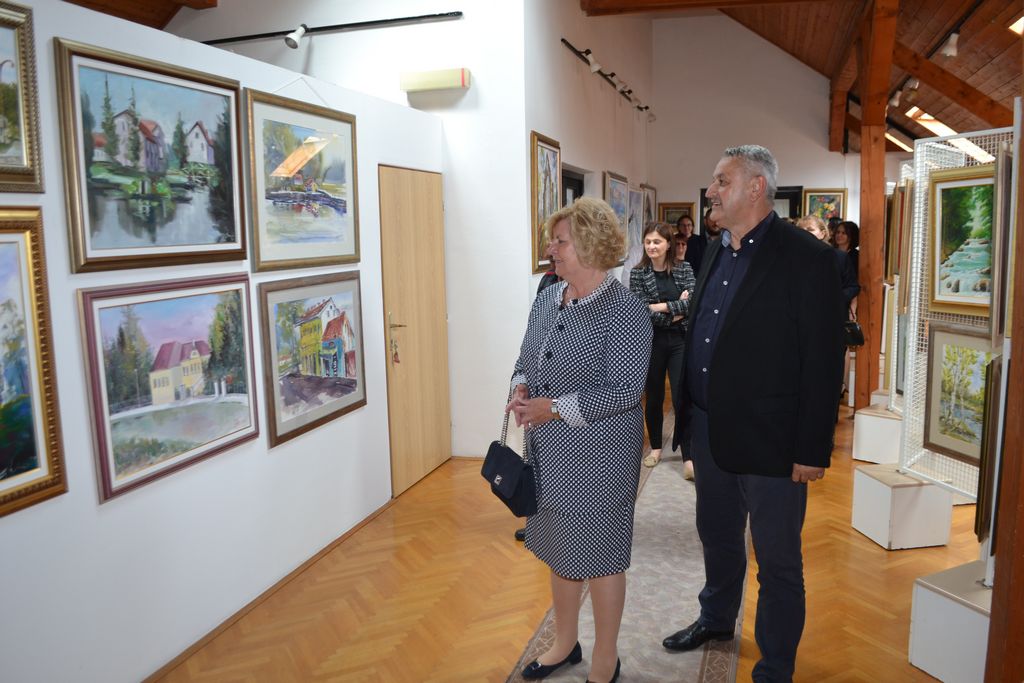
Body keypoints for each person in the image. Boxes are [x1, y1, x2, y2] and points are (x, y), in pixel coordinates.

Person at [662, 145, 844, 682]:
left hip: (773, 441)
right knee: (718, 537)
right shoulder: (716, 250)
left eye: (721, 181)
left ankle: (775, 666)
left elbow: (822, 360)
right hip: (710, 429)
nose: (711, 191)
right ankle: (717, 619)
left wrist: (811, 450)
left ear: (756, 187)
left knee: (778, 561)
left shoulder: (806, 257)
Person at [508, 196, 652, 683]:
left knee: (602, 556)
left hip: (601, 456)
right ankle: (565, 643)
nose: (551, 249)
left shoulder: (625, 311)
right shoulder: (547, 298)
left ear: (590, 245)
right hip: (549, 452)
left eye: (560, 241)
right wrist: (521, 388)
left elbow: (624, 390)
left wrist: (552, 407)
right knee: (559, 548)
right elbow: (526, 356)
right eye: (553, 241)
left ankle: (605, 660)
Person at [629, 222, 695, 476]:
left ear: (668, 244)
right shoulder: (638, 273)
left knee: (680, 397)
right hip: (652, 341)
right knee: (654, 397)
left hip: (680, 341)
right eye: (648, 242)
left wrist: (660, 307)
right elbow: (639, 310)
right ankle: (656, 447)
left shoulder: (684, 268)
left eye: (657, 241)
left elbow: (694, 302)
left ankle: (689, 455)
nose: (651, 246)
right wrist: (676, 310)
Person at [832, 220, 861, 395]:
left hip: (848, 304)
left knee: (845, 346)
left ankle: (842, 384)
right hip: (835, 305)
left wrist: (852, 307)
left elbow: (855, 284)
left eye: (844, 233)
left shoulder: (855, 257)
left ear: (851, 236)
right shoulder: (829, 252)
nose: (839, 235)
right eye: (838, 232)